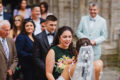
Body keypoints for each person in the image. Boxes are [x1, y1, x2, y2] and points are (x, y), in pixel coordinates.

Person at [76, 2, 107, 80]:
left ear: (98, 10)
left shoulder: (103, 21)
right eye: (91, 9)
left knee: (95, 69)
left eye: (94, 10)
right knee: (83, 69)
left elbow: (104, 36)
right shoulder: (83, 19)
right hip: (83, 49)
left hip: (95, 50)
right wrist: (85, 40)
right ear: (88, 10)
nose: (92, 11)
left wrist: (95, 41)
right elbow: (78, 32)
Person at [33, 15, 57, 80]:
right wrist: (47, 69)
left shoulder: (59, 36)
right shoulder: (38, 38)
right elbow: (36, 57)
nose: (53, 27)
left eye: (55, 25)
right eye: (51, 25)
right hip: (42, 72)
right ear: (45, 24)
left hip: (57, 71)